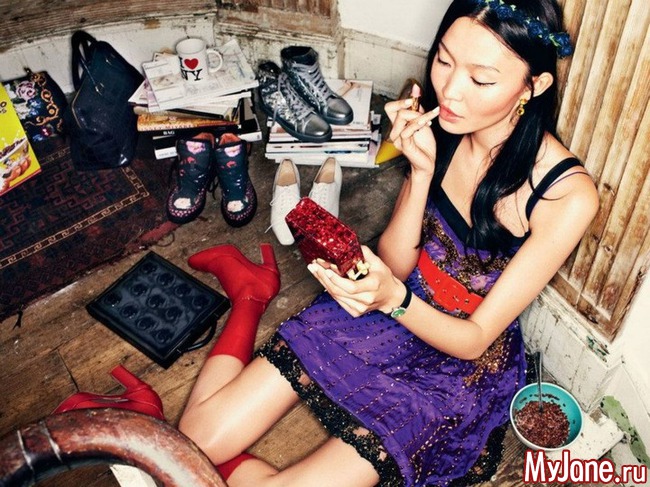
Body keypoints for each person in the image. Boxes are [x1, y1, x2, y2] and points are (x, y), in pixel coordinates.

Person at [178, 0, 599, 485]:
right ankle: (250, 296)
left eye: (481, 79)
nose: (451, 91)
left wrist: (392, 299)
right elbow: (397, 265)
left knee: (193, 464)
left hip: (457, 363)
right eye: (444, 60)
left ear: (534, 86)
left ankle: (248, 303)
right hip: (394, 297)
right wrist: (420, 173)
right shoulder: (443, 123)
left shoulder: (566, 195)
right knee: (196, 438)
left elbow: (475, 339)